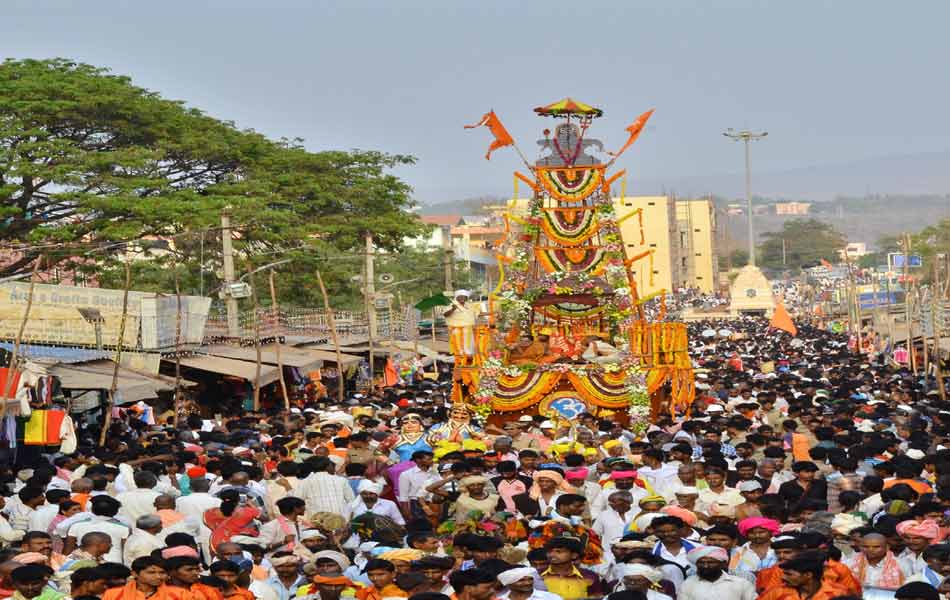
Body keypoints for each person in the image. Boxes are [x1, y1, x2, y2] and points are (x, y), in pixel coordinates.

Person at [757, 553, 850, 600]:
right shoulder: (776, 591)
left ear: (808, 575)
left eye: (789, 574)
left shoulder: (838, 593)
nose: (783, 578)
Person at [102, 556, 174, 600]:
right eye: (151, 572)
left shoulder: (179, 593)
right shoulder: (113, 594)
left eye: (162, 573)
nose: (158, 576)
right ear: (135, 574)